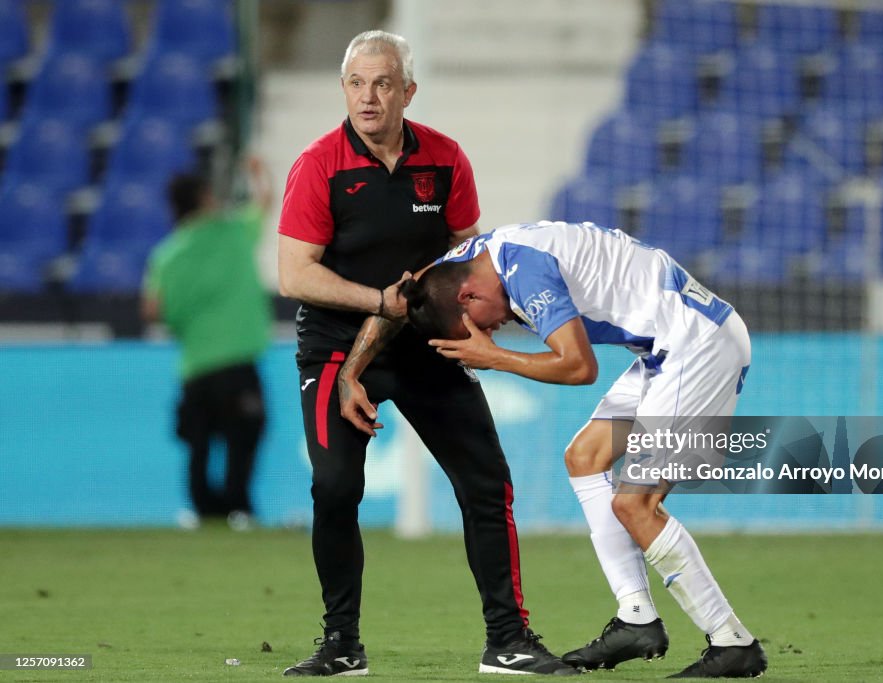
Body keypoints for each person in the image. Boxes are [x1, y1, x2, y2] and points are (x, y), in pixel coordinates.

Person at [276, 31, 578, 677]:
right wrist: (379, 302)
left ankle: (508, 639)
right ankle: (340, 642)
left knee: (487, 483)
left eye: (383, 82)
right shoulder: (319, 164)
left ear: (408, 91)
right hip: (334, 348)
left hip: (428, 345)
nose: (369, 95)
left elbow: (470, 254)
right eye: (357, 82)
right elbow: (294, 274)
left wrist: (480, 328)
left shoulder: (445, 159)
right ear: (343, 89)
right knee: (334, 488)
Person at [392, 220, 769, 679]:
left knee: (637, 503)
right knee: (585, 458)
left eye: (483, 325)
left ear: (468, 296)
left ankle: (732, 643)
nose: (496, 329)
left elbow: (578, 366)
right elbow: (411, 287)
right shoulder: (473, 259)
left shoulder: (524, 272)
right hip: (668, 347)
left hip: (697, 346)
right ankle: (637, 619)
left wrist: (495, 358)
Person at [142, 158, 274, 530]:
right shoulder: (232, 233)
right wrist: (258, 174)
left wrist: (185, 316)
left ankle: (202, 511)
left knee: (199, 442)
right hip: (238, 363)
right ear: (203, 198)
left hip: (196, 366)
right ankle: (239, 510)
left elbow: (153, 310)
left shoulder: (166, 255)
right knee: (243, 437)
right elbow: (264, 204)